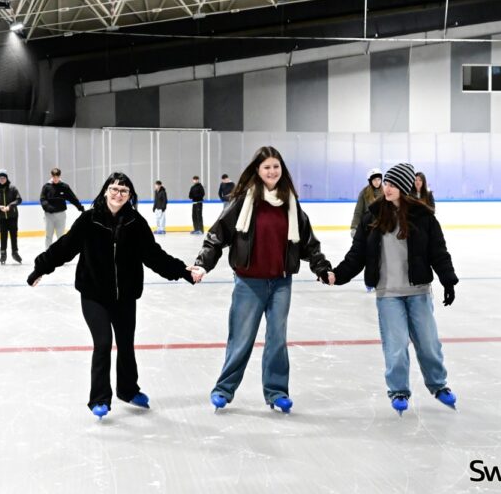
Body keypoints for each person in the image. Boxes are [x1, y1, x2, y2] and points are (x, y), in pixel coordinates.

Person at [27, 173, 196, 420]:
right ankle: (99, 398)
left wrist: (183, 271)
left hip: (125, 297)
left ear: (130, 196)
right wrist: (40, 268)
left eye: (124, 191)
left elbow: (153, 255)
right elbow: (64, 248)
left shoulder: (135, 222)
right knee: (104, 342)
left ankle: (128, 390)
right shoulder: (89, 220)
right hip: (94, 294)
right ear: (106, 190)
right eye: (114, 189)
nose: (118, 194)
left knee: (126, 344)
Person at [193, 146, 333, 413]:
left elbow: (307, 242)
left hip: (281, 282)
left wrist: (321, 267)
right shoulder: (245, 200)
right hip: (249, 282)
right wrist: (202, 265)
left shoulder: (290, 202)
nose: (272, 171)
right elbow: (217, 235)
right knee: (241, 338)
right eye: (267, 167)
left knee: (277, 339)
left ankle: (277, 392)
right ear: (257, 170)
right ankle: (223, 390)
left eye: (276, 166)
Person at [331, 162, 459, 416]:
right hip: (388, 293)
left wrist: (448, 280)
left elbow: (438, 251)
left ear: (403, 186)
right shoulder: (373, 215)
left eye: (392, 184)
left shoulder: (423, 216)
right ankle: (399, 389)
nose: (387, 189)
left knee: (429, 343)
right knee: (396, 345)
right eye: (386, 183)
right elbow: (358, 255)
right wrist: (338, 275)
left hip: (418, 290)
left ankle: (438, 385)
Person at [40, 168, 84, 248]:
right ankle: (48, 255)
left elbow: (72, 198)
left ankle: (59, 255)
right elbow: (42, 199)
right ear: (51, 176)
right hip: (49, 216)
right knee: (48, 236)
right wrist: (48, 207)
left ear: (60, 176)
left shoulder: (64, 186)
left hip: (61, 215)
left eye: (57, 176)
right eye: (54, 177)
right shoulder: (46, 187)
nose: (55, 178)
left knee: (60, 237)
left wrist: (80, 207)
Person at [0, 169, 23, 264]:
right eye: (0, 178)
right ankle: (3, 253)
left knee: (13, 234)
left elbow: (19, 199)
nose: (2, 179)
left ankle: (15, 252)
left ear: (6, 178)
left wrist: (10, 206)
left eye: (3, 177)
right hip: (1, 217)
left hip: (12, 215)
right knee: (3, 235)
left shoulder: (12, 188)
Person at [351, 169, 382, 238]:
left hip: (382, 227)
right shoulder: (364, 193)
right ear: (370, 181)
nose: (377, 182)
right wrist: (354, 227)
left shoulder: (385, 192)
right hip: (368, 226)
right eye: (374, 180)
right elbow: (358, 211)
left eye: (379, 179)